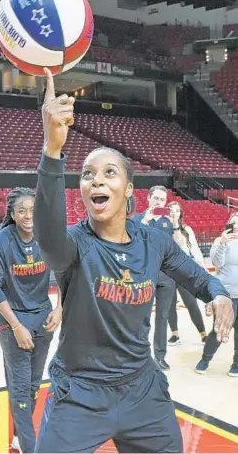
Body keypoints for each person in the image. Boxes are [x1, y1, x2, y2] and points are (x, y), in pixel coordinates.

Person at [32, 69, 234, 454]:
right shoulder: (75, 245)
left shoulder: (154, 242)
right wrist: (52, 150)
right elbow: (48, 238)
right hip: (80, 394)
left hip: (141, 391)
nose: (96, 180)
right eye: (88, 174)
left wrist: (219, 294)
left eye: (110, 173)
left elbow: (198, 277)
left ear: (128, 189)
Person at [0, 187, 62, 453]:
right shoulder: (3, 240)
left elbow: (64, 271)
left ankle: (19, 436)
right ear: (13, 215)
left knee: (31, 385)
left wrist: (60, 308)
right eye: (22, 211)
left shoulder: (47, 236)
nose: (28, 215)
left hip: (42, 318)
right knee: (20, 390)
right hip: (13, 322)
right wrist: (17, 326)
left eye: (32, 210)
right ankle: (31, 448)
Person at [132, 186, 175, 370]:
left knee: (162, 317)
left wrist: (176, 223)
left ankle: (160, 356)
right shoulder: (137, 220)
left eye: (162, 200)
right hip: (145, 275)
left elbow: (175, 249)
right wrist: (145, 221)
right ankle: (140, 356)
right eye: (156, 198)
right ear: (148, 198)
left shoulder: (168, 223)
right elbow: (132, 244)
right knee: (142, 316)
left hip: (166, 276)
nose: (158, 202)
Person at [196, 212, 238, 377]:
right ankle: (205, 359)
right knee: (219, 330)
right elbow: (216, 263)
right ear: (228, 225)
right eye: (233, 223)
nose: (236, 226)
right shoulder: (219, 242)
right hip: (225, 295)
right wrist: (222, 244)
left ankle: (236, 364)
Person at [167, 201, 208, 345]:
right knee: (170, 304)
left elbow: (193, 248)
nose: (174, 213)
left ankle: (203, 334)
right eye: (171, 210)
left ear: (181, 214)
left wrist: (202, 265)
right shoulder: (162, 228)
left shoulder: (186, 229)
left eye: (177, 211)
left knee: (191, 302)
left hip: (183, 270)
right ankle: (175, 334)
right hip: (166, 271)